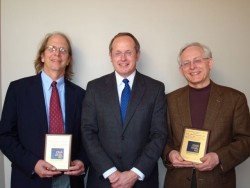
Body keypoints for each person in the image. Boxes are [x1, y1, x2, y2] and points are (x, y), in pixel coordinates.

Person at [0, 32, 88, 188]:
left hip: (68, 180)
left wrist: (82, 161)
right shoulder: (18, 90)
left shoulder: (81, 95)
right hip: (30, 179)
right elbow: (4, 136)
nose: (57, 53)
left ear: (68, 60)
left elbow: (88, 136)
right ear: (42, 56)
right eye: (52, 48)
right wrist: (32, 164)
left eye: (63, 50)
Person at [81, 32, 167, 188]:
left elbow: (158, 134)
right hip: (103, 180)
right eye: (117, 53)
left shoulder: (155, 89)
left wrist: (135, 173)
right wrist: (110, 172)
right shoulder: (94, 88)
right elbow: (88, 132)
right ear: (110, 56)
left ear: (138, 55)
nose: (123, 58)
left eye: (128, 52)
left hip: (142, 180)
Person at [162, 42, 250, 188]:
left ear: (210, 63)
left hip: (218, 181)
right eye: (186, 63)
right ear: (181, 69)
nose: (192, 67)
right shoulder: (169, 100)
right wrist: (169, 154)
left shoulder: (235, 98)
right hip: (177, 181)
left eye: (197, 60)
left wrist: (218, 157)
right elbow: (160, 137)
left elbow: (246, 140)